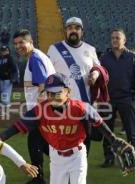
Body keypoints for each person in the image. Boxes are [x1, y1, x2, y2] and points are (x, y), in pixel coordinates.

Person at [0, 73, 133, 184]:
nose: (52, 96)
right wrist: (0, 138)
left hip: (77, 156)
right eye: (49, 93)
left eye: (57, 92)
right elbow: (18, 126)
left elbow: (98, 122)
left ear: (68, 91)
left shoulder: (80, 108)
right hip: (56, 157)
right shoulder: (41, 109)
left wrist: (113, 139)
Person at [47, 17, 101, 155]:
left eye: (77, 28)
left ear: (82, 31)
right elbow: (47, 74)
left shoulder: (90, 49)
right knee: (61, 138)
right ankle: (61, 168)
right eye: (70, 28)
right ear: (65, 31)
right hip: (61, 104)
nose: (73, 31)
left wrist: (94, 74)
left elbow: (98, 68)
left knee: (85, 137)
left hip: (84, 103)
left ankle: (82, 168)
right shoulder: (54, 49)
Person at [13, 29, 55, 184]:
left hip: (40, 110)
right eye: (16, 43)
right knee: (44, 144)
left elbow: (43, 84)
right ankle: (65, 163)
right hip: (44, 108)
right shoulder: (36, 56)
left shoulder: (35, 58)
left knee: (34, 142)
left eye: (21, 43)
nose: (18, 46)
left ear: (30, 42)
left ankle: (39, 180)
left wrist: (39, 110)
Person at [100, 28, 135, 167]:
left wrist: (134, 94)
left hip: (126, 98)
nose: (114, 40)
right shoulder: (104, 58)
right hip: (109, 100)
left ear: (124, 40)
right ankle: (109, 158)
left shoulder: (133, 56)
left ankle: (134, 158)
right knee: (107, 131)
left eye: (117, 38)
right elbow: (101, 78)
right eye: (113, 37)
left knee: (131, 130)